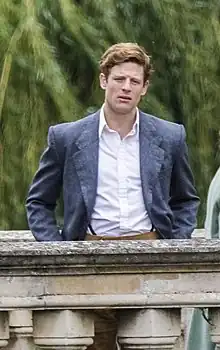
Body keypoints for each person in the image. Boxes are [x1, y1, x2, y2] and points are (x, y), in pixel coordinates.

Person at [26, 42, 200, 350]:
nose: (126, 87)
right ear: (104, 80)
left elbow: (186, 199)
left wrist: (177, 243)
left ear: (144, 88)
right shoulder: (66, 137)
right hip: (89, 265)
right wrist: (57, 251)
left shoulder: (171, 136)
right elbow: (39, 201)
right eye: (119, 79)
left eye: (134, 81)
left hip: (151, 263)